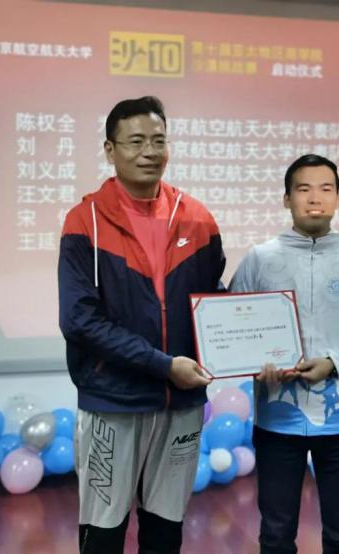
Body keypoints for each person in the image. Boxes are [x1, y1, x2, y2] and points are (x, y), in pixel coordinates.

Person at [58, 96, 225, 553]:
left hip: (181, 404)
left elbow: (211, 301)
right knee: (103, 533)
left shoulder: (197, 218)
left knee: (165, 531)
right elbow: (78, 320)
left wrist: (253, 335)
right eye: (136, 141)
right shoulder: (85, 221)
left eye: (158, 140)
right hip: (113, 401)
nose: (150, 152)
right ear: (110, 150)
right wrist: (163, 365)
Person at [230, 154, 339, 553]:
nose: (314, 198)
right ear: (286, 198)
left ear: (337, 198)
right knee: (276, 535)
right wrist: (254, 366)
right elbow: (232, 326)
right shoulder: (261, 257)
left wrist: (335, 363)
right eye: (303, 189)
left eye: (325, 188)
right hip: (277, 419)